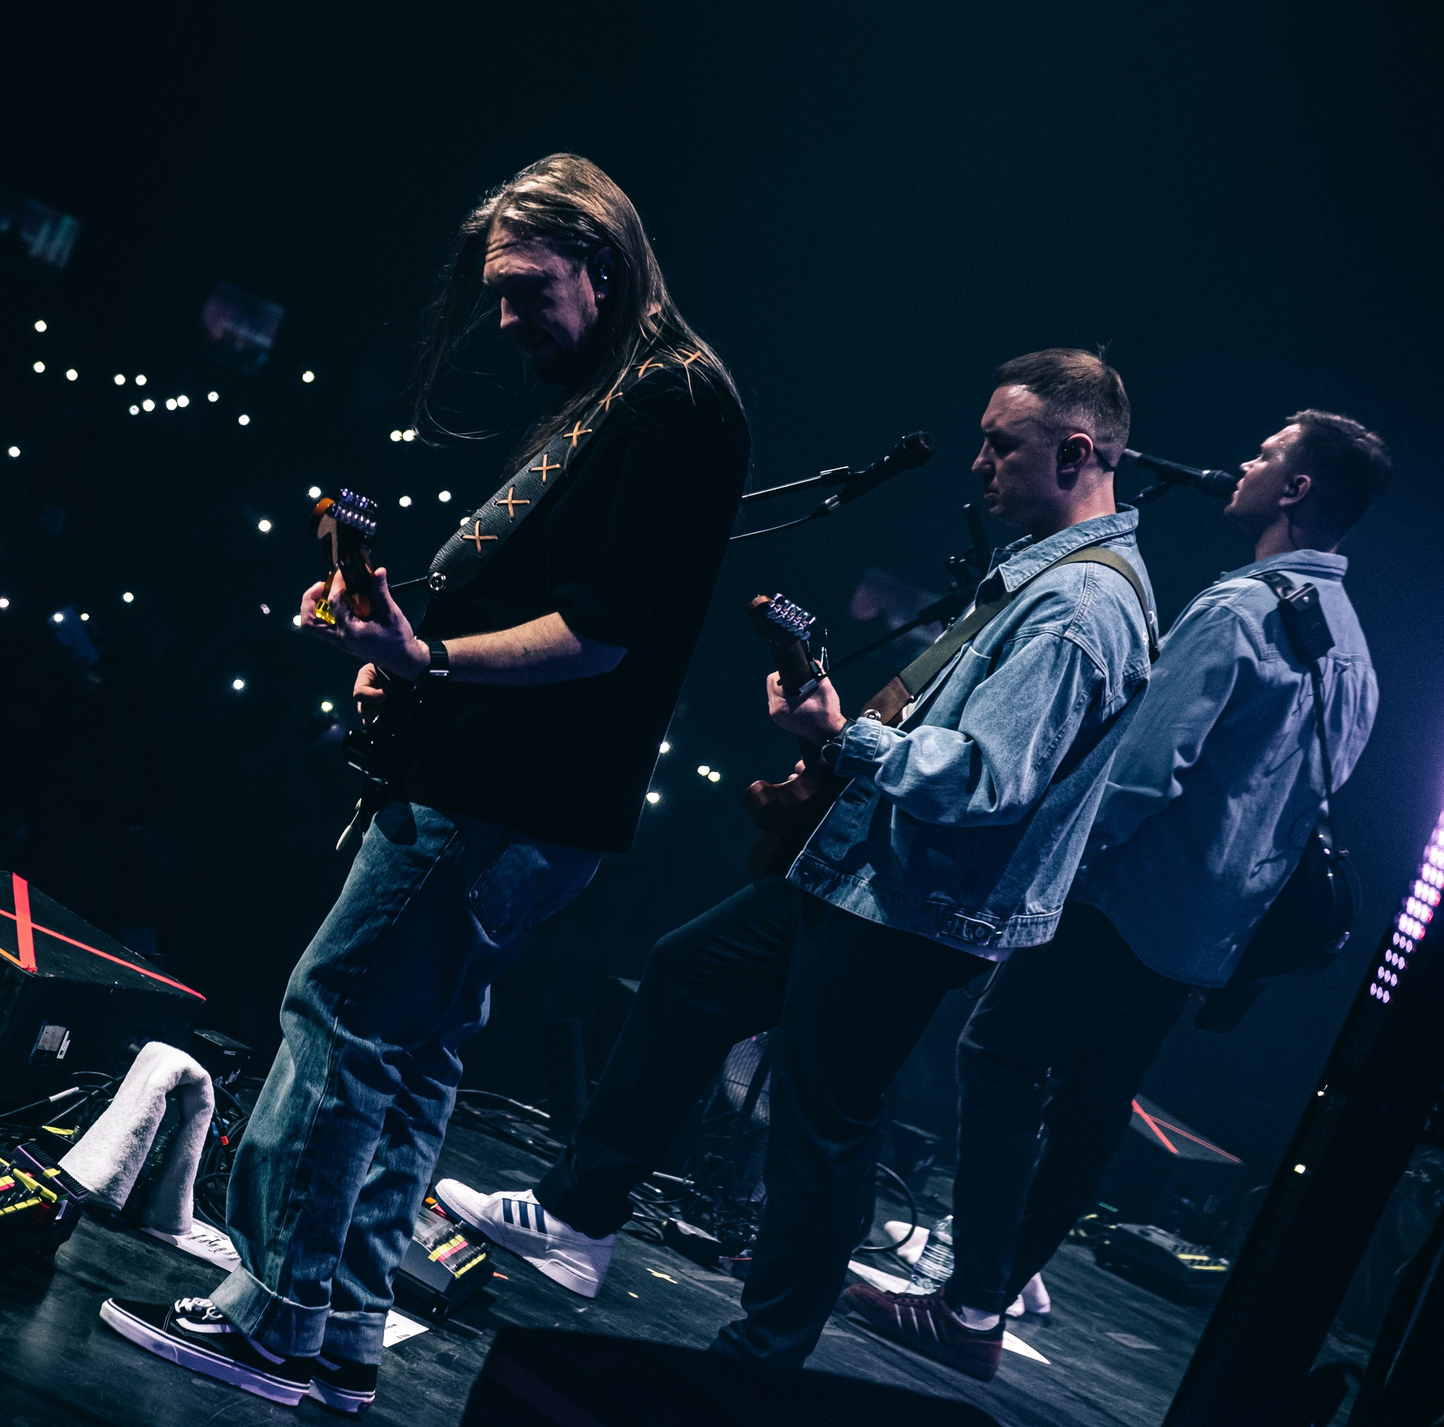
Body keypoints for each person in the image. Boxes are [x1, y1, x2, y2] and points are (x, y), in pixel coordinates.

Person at [97, 154, 749, 1412]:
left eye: (526, 289)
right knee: (409, 1051)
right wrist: (389, 625)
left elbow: (601, 630)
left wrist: (425, 654)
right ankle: (340, 1322)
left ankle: (276, 1317)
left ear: (600, 266)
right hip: (518, 796)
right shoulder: (632, 392)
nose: (505, 320)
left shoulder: (667, 399)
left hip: (499, 796)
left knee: (337, 1011)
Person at [435, 348, 1158, 1378]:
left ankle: (759, 1359)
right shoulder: (1054, 583)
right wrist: (833, 736)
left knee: (824, 1127)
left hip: (907, 910)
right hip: (868, 884)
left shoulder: (1079, 607)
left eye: (1001, 445)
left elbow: (987, 782)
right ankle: (577, 1220)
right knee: (690, 976)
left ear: (1076, 451)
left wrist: (845, 737)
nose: (977, 466)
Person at [843, 410, 1388, 1378]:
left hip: (1117, 902)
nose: (1243, 462)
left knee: (997, 1055)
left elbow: (1136, 779)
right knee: (1092, 1106)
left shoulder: (1239, 612)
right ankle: (992, 1291)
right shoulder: (1355, 658)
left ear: (1296, 490)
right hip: (1202, 941)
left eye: (1264, 455)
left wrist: (1043, 881)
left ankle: (971, 1300)